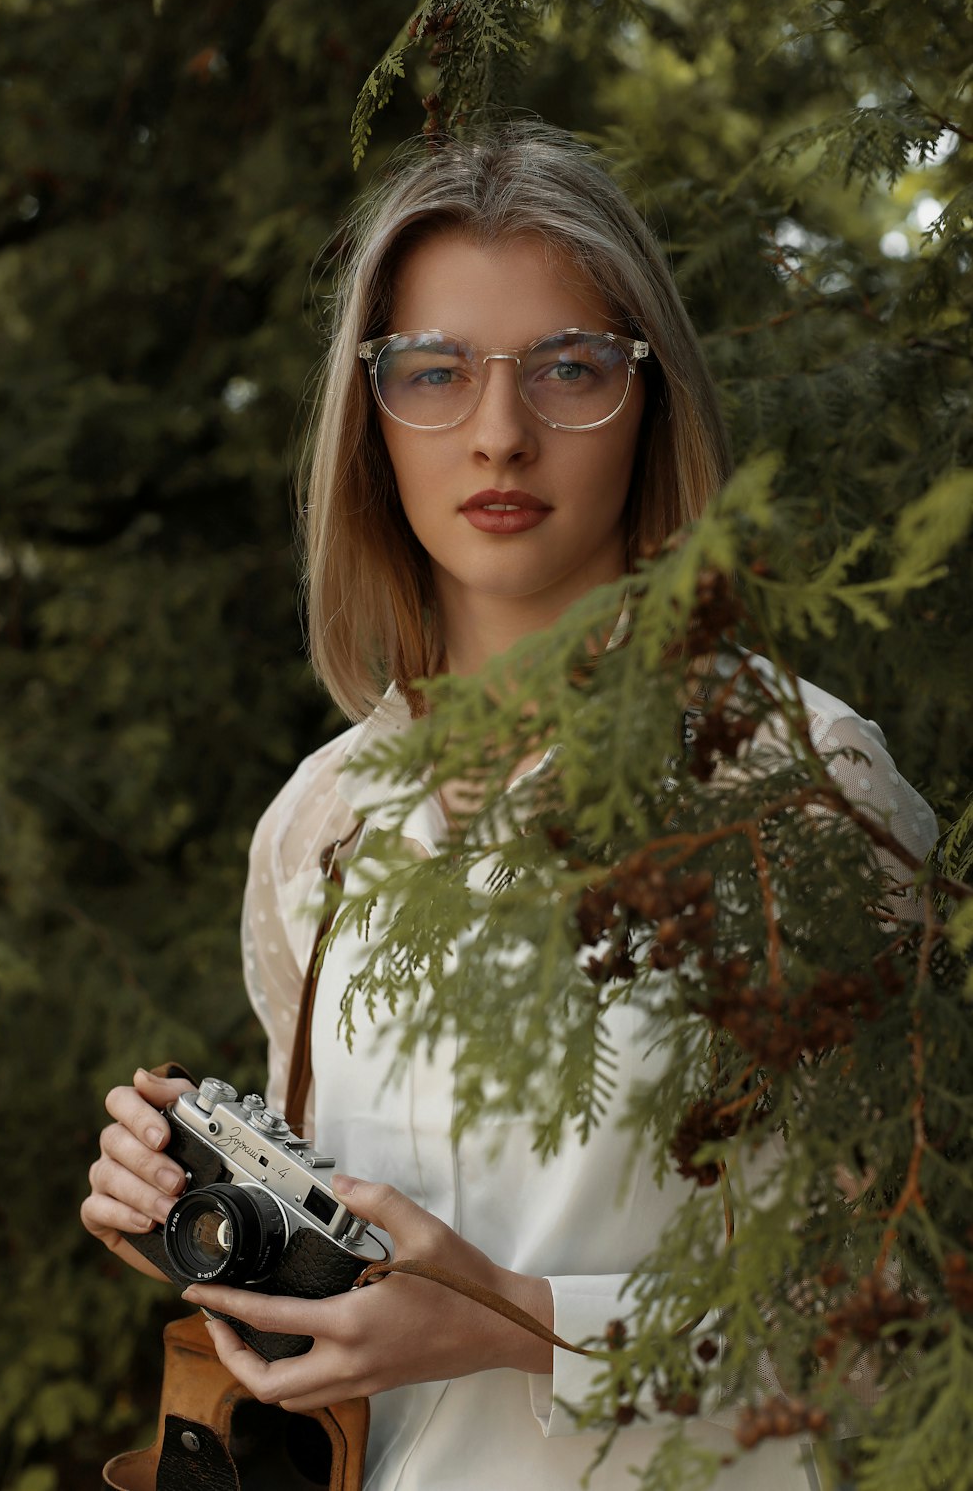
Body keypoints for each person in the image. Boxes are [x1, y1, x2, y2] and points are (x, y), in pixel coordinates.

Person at [82, 126, 938, 1489]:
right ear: (369, 417)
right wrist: (205, 1216)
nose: (498, 431)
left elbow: (901, 1322)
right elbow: (351, 1307)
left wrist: (522, 1327)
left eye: (570, 370)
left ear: (650, 397)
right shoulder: (323, 824)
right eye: (431, 373)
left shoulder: (801, 787)